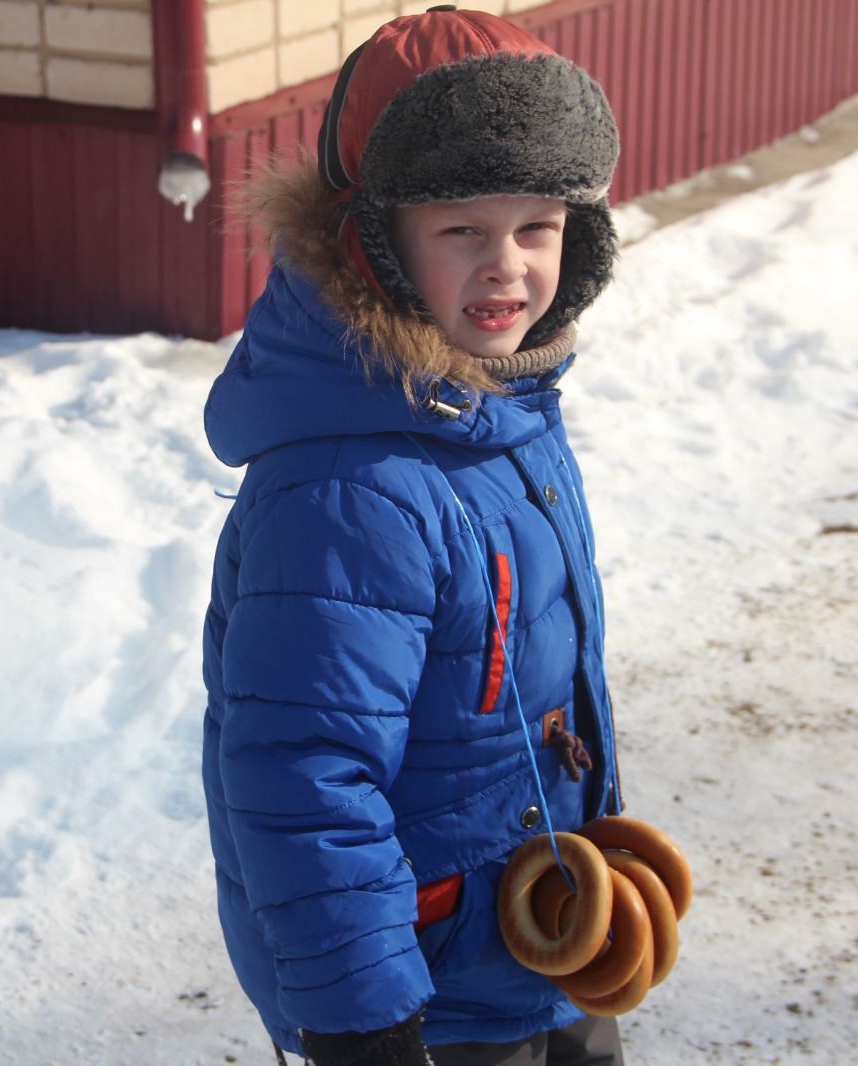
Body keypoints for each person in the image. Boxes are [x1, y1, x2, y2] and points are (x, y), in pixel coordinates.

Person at [200, 8, 627, 1065]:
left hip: (534, 944)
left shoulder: (497, 412)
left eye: (537, 228)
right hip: (426, 1002)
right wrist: (366, 1024)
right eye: (460, 231)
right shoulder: (350, 485)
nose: (507, 268)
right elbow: (304, 770)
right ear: (376, 246)